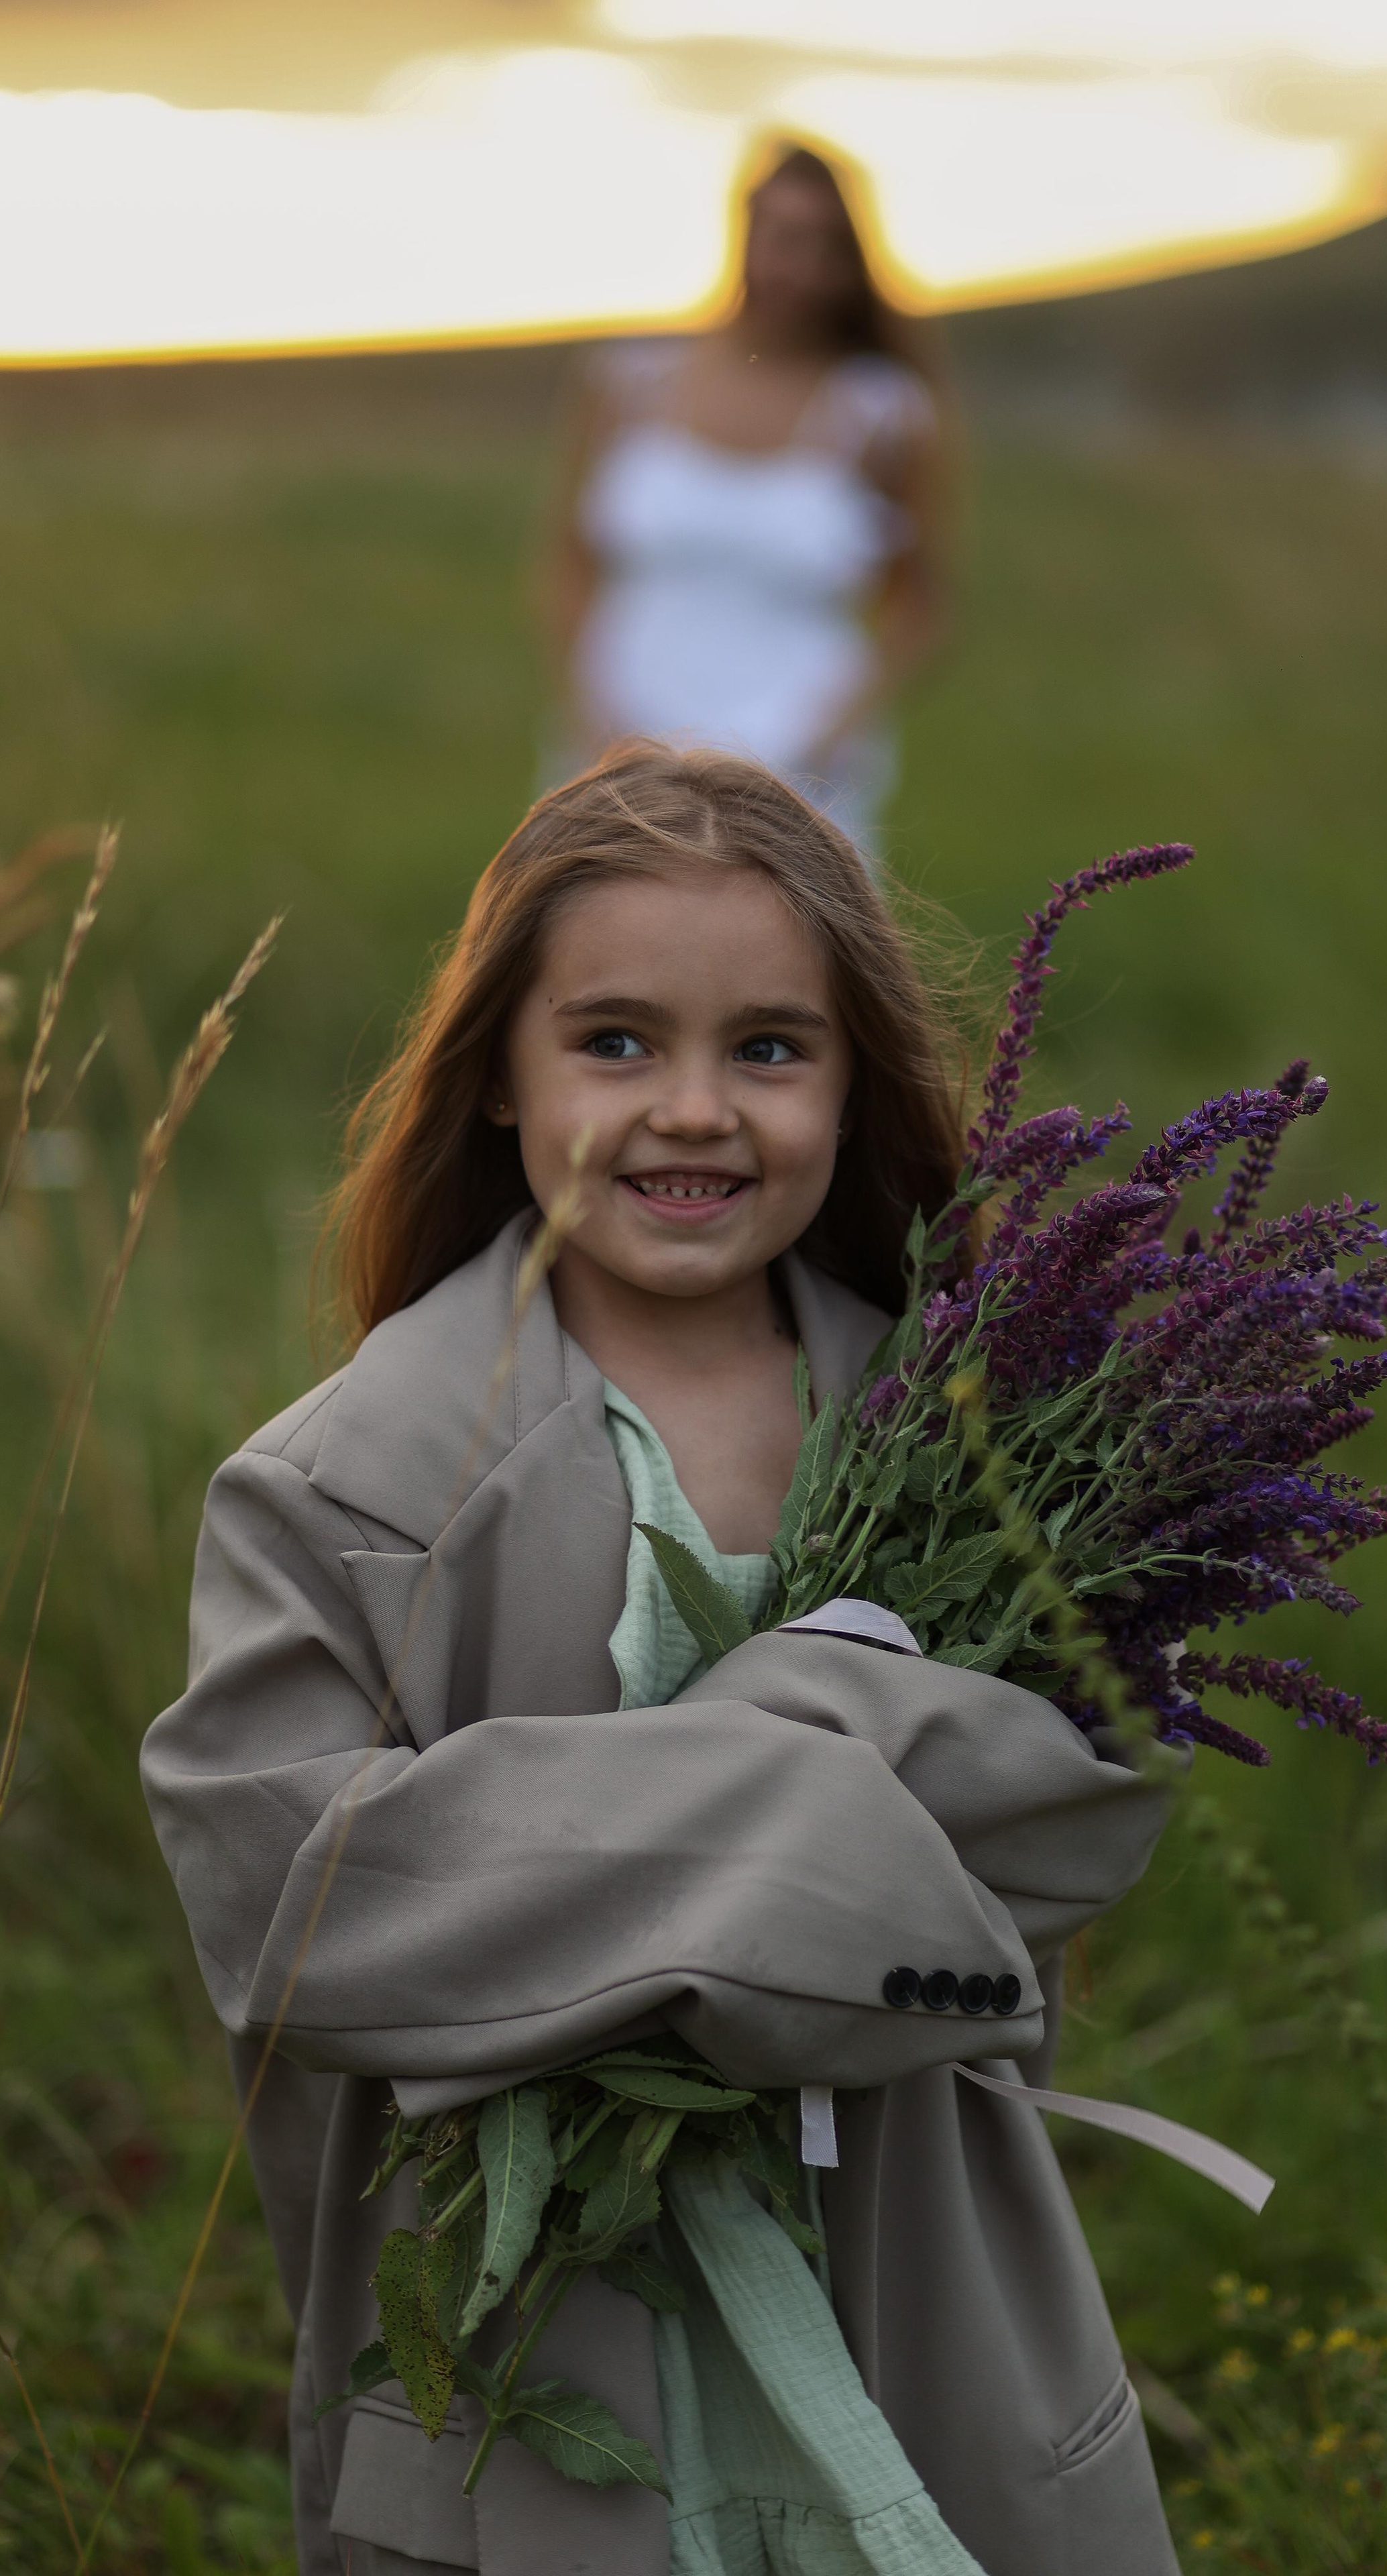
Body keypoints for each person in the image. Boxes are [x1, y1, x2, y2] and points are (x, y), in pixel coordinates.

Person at [142, 743, 1180, 2576]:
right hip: (548, 2332)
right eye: (615, 1043)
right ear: (498, 1082)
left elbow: (1063, 1819)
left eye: (768, 1050)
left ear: (857, 1089)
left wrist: (735, 1835)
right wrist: (791, 1795)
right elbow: (286, 1892)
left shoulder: (963, 1444)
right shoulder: (354, 1482)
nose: (692, 1110)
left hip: (901, 2275)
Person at [543, 147, 948, 865]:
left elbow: (917, 607)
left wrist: (825, 737)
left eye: (825, 245)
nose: (798, 268)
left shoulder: (880, 413)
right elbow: (569, 566)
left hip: (798, 765)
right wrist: (601, 723)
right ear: (743, 233)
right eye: (783, 237)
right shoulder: (629, 382)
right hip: (620, 741)